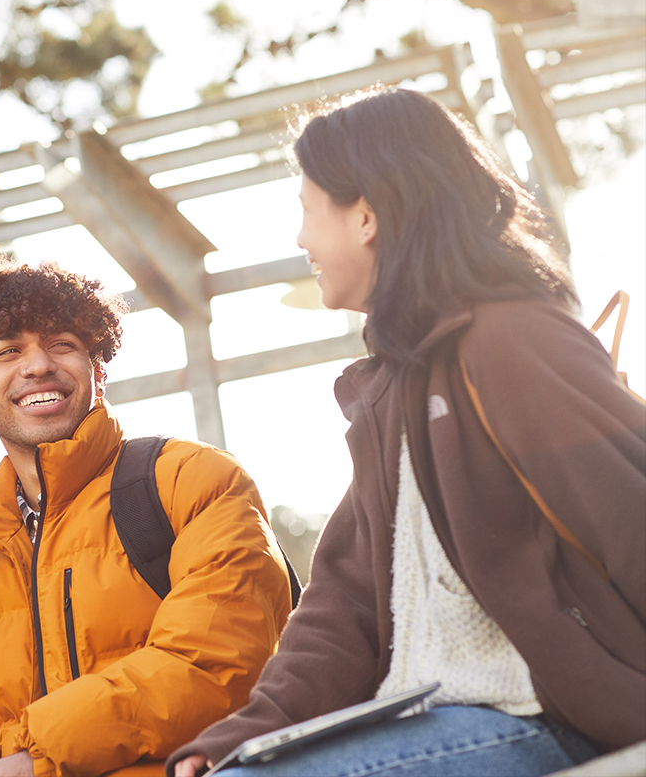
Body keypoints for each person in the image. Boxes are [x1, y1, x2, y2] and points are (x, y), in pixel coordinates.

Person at [168, 87, 646, 777]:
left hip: (541, 719)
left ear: (365, 215)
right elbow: (345, 605)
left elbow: (630, 516)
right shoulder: (395, 387)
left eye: (307, 211)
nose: (301, 240)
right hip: (437, 722)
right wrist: (238, 738)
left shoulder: (511, 338)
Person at [0, 260, 294, 777]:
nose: (37, 366)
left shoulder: (192, 480)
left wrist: (35, 761)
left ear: (98, 372)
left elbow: (214, 663)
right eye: (8, 351)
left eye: (62, 344)